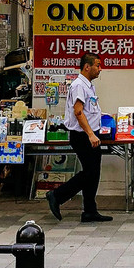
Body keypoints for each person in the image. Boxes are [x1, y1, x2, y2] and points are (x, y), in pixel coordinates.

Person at [47, 53, 113, 223]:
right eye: (97, 65)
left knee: (94, 172)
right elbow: (78, 111)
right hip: (82, 135)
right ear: (87, 67)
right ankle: (57, 195)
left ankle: (90, 210)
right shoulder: (78, 86)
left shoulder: (89, 86)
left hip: (91, 133)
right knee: (89, 172)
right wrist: (90, 134)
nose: (100, 69)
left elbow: (91, 109)